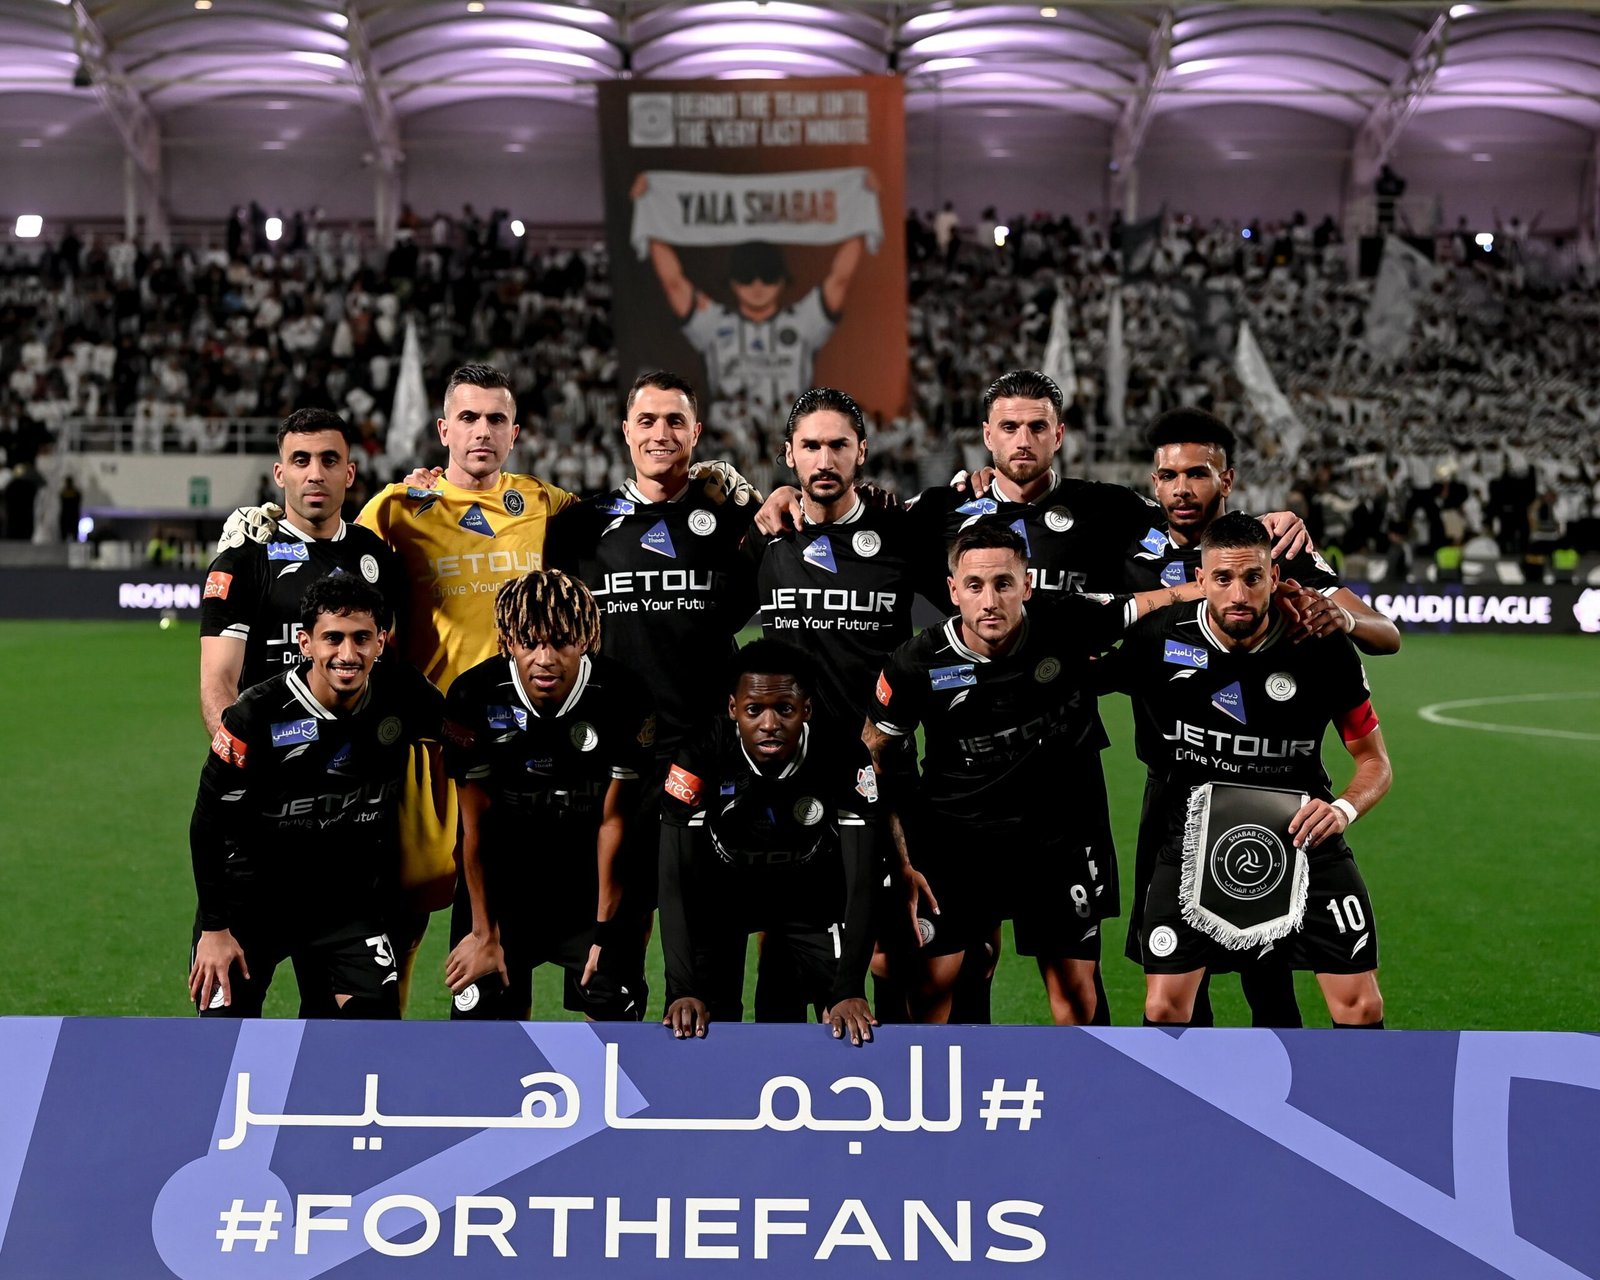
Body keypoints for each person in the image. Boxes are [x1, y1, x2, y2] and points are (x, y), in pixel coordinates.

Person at [1116, 406, 1400, 1028]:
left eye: (1198, 473)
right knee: (1178, 977)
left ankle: (1279, 1075)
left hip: (1275, 790)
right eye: (1169, 476)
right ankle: (1198, 1081)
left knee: (1269, 971)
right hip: (1177, 789)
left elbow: (1387, 634)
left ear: (1227, 479)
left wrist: (1342, 618)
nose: (1182, 488)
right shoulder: (1127, 539)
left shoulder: (1277, 546)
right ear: (1154, 482)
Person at [864, 523, 1139, 1026]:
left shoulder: (1064, 622)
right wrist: (899, 858)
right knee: (930, 990)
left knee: (1077, 995)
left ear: (1026, 586)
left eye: (1003, 584)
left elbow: (1158, 603)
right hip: (956, 840)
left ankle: (1090, 1079)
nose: (989, 601)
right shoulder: (916, 662)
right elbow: (876, 753)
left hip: (1055, 839)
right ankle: (936, 1078)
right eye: (974, 586)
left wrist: (1234, 592)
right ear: (953, 591)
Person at [545, 371, 762, 1008]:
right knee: (610, 949)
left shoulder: (733, 520)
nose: (660, 433)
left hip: (709, 755)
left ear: (697, 432)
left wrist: (754, 497)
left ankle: (707, 1063)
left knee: (710, 942)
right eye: (647, 420)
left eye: (675, 421)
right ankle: (610, 1065)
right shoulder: (580, 527)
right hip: (615, 762)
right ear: (625, 432)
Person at [188, 576, 443, 1018]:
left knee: (371, 1033)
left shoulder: (404, 693)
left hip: (345, 902)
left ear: (381, 641)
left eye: (361, 638)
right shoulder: (256, 714)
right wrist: (214, 929)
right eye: (333, 638)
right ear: (305, 643)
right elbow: (207, 823)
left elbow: (471, 743)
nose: (348, 654)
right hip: (251, 902)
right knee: (221, 1039)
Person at [442, 570, 654, 1022]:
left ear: (586, 639)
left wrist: (605, 933)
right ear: (507, 641)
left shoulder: (624, 694)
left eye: (561, 643)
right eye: (530, 643)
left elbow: (614, 822)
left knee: (614, 1011)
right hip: (504, 888)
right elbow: (476, 828)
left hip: (588, 887)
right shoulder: (471, 695)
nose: (545, 659)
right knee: (480, 1026)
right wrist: (483, 933)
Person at [658, 639, 880, 1045]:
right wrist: (681, 989)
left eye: (785, 709)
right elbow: (673, 879)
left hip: (810, 894)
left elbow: (862, 879)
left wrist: (850, 987)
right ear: (733, 709)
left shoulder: (843, 754)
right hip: (722, 895)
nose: (769, 724)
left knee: (841, 1014)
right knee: (700, 1018)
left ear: (806, 709)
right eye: (754, 710)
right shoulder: (699, 754)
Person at [200, 408, 404, 737]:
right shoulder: (243, 560)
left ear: (349, 473)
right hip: (275, 758)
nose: (315, 474)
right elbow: (218, 683)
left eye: (329, 460)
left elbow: (395, 660)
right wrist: (237, 754)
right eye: (301, 460)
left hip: (369, 761)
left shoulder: (377, 555)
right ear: (280, 474)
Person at [748, 387, 922, 734]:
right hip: (789, 755)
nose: (825, 462)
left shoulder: (900, 533)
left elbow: (965, 610)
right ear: (790, 453)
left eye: (839, 445)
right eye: (811, 446)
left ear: (862, 450)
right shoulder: (765, 533)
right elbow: (710, 624)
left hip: (878, 754)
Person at [634, 172, 869, 419]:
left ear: (782, 280)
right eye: (746, 276)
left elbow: (840, 279)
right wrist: (650, 213)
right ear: (732, 282)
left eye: (768, 276)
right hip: (728, 435)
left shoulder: (803, 320)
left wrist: (863, 207)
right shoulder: (713, 323)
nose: (757, 285)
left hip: (792, 435)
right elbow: (673, 282)